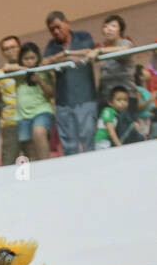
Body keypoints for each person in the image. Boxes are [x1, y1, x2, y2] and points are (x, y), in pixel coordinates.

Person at [42, 12, 98, 155]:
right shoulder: (51, 45)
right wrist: (66, 55)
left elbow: (88, 51)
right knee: (69, 147)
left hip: (86, 98)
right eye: (51, 30)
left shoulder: (83, 36)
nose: (55, 32)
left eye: (58, 27)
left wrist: (61, 57)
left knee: (89, 142)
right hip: (63, 103)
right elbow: (45, 62)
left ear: (66, 22)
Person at [15, 42, 55, 161]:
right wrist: (26, 70)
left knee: (39, 131)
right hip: (23, 115)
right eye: (26, 58)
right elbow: (7, 68)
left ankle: (46, 166)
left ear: (38, 58)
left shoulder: (43, 71)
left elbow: (51, 93)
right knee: (29, 151)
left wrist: (40, 80)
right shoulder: (18, 73)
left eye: (32, 58)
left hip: (42, 110)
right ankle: (36, 175)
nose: (29, 61)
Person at [95, 14, 134, 98]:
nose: (108, 29)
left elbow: (125, 50)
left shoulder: (125, 43)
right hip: (107, 97)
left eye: (113, 26)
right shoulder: (104, 50)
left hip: (125, 97)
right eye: (105, 27)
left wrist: (99, 50)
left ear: (120, 30)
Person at [0, 35, 22, 166]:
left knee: (34, 161)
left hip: (29, 119)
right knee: (9, 162)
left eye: (13, 47)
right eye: (6, 49)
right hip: (9, 123)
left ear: (19, 47)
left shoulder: (29, 68)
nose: (10, 51)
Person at [94, 84, 129, 150]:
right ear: (110, 102)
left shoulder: (119, 114)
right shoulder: (108, 110)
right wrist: (119, 144)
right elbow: (110, 128)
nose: (122, 103)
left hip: (107, 141)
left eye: (125, 100)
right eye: (119, 100)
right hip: (102, 141)